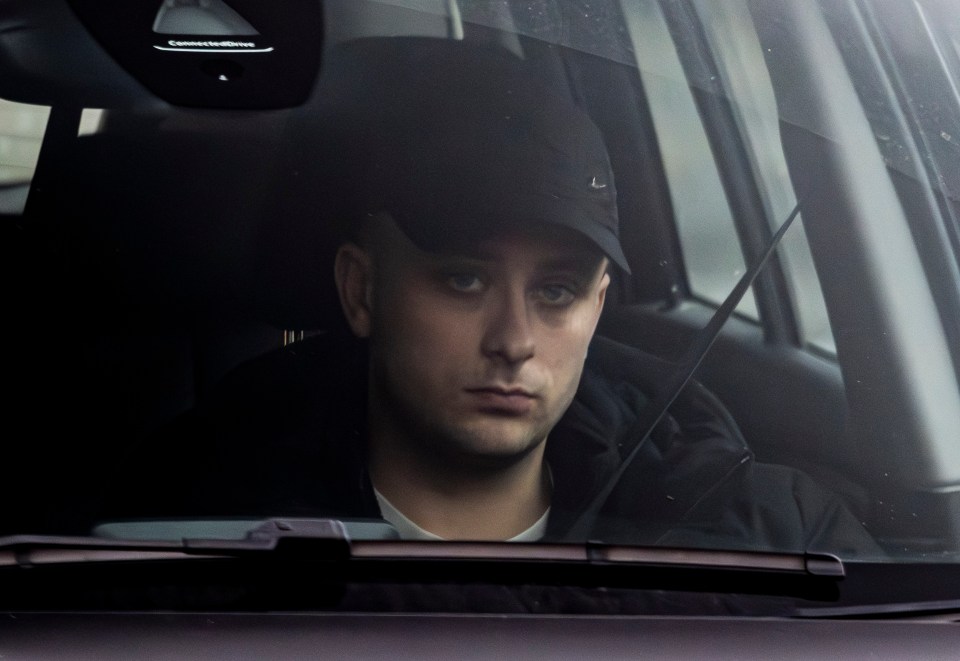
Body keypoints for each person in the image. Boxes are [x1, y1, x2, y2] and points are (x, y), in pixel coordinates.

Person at [97, 38, 879, 554]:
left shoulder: (751, 528)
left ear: (599, 307)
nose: (514, 339)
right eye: (463, 278)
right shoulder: (181, 521)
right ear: (361, 289)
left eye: (557, 289)